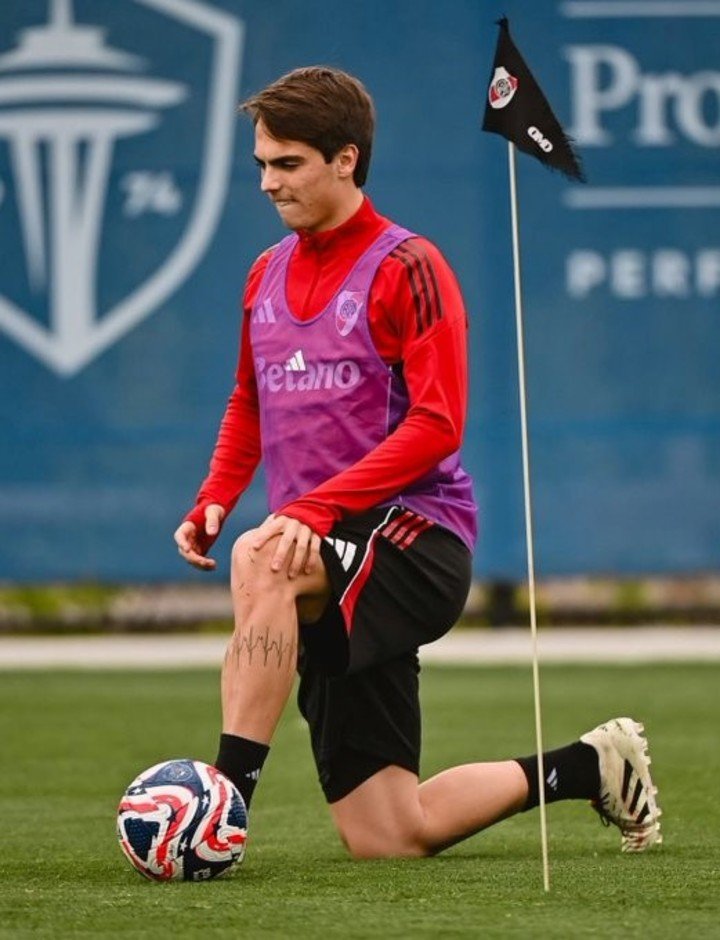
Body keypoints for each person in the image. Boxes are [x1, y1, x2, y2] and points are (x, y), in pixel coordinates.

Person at [174, 66, 662, 858]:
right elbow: (248, 400)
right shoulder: (265, 272)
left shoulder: (409, 267)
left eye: (287, 162)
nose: (267, 182)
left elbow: (438, 425)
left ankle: (220, 808)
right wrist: (214, 497)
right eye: (261, 163)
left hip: (414, 542)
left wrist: (310, 510)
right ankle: (589, 767)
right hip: (319, 547)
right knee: (390, 834)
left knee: (261, 559)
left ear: (346, 159)